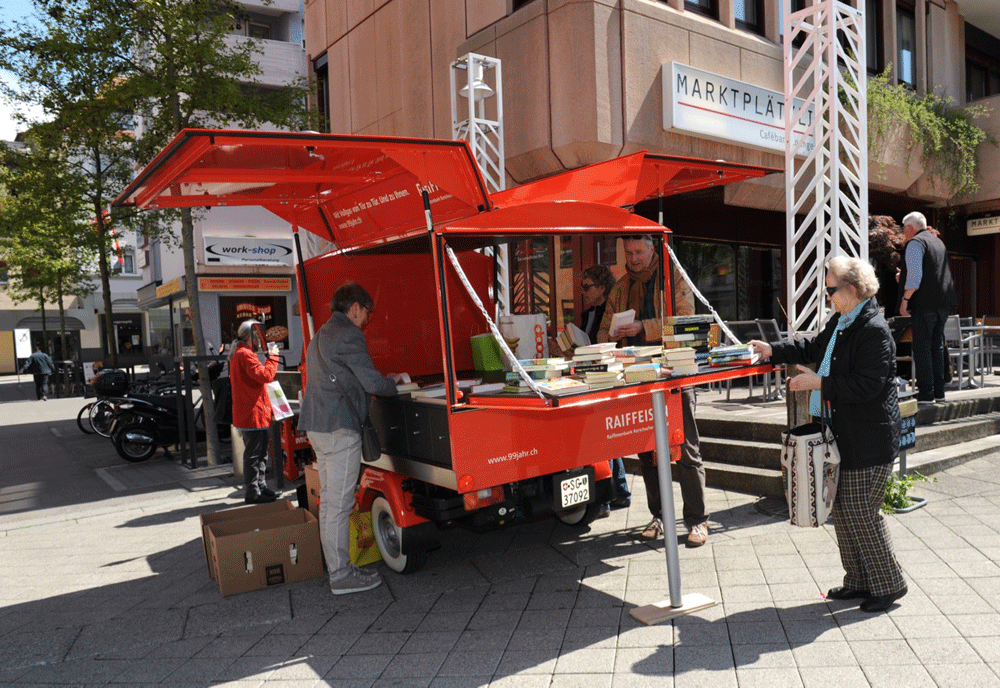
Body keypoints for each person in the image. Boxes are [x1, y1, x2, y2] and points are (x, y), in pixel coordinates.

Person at [748, 256, 907, 613]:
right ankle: (859, 580)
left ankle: (889, 584)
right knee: (845, 510)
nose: (828, 297)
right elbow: (813, 348)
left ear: (853, 289)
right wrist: (772, 350)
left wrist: (819, 383)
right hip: (846, 433)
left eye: (831, 290)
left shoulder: (873, 329)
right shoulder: (843, 320)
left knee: (861, 511)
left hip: (870, 438)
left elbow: (867, 386)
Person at [597, 235, 709, 547]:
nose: (633, 258)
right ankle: (660, 516)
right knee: (647, 452)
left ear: (652, 249)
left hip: (674, 375)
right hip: (637, 377)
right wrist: (611, 334)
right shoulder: (621, 286)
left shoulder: (673, 278)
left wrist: (644, 327)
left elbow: (686, 321)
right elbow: (602, 330)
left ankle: (698, 521)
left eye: (638, 252)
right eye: (628, 252)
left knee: (685, 449)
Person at [299, 282, 398, 596]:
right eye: (367, 312)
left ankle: (337, 568)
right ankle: (341, 575)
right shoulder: (349, 334)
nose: (367, 319)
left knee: (330, 503)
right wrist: (396, 384)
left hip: (318, 427)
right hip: (339, 428)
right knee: (339, 505)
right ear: (355, 307)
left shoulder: (320, 336)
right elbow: (372, 382)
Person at [581, 265, 631, 516]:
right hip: (591, 376)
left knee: (603, 437)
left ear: (602, 288)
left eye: (587, 286)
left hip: (606, 378)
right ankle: (621, 492)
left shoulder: (609, 313)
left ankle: (606, 499)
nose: (583, 292)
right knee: (607, 437)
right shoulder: (587, 314)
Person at [898, 212, 958, 404]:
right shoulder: (938, 243)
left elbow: (915, 278)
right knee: (937, 346)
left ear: (909, 228)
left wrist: (905, 299)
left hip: (924, 304)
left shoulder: (915, 243)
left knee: (922, 348)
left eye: (904, 230)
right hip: (943, 302)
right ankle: (939, 393)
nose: (904, 233)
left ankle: (926, 393)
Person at [229, 320, 281, 504]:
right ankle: (253, 491)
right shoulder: (245, 354)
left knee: (259, 453)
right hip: (252, 413)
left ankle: (260, 487)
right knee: (254, 454)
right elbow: (265, 376)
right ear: (250, 337)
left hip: (252, 412)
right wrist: (273, 357)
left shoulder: (240, 353)